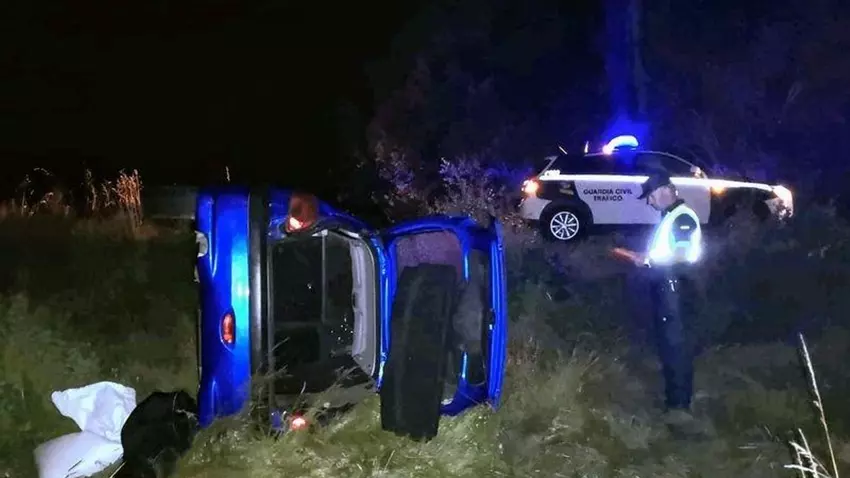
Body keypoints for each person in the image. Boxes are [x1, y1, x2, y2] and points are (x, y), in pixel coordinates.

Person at [619, 170, 709, 437]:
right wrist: (644, 257)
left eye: (650, 196)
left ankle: (679, 409)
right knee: (671, 344)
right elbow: (667, 253)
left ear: (665, 190)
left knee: (676, 346)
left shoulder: (682, 217)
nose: (649, 201)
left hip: (676, 287)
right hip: (670, 286)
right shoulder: (671, 216)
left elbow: (681, 254)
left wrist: (647, 260)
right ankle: (676, 401)